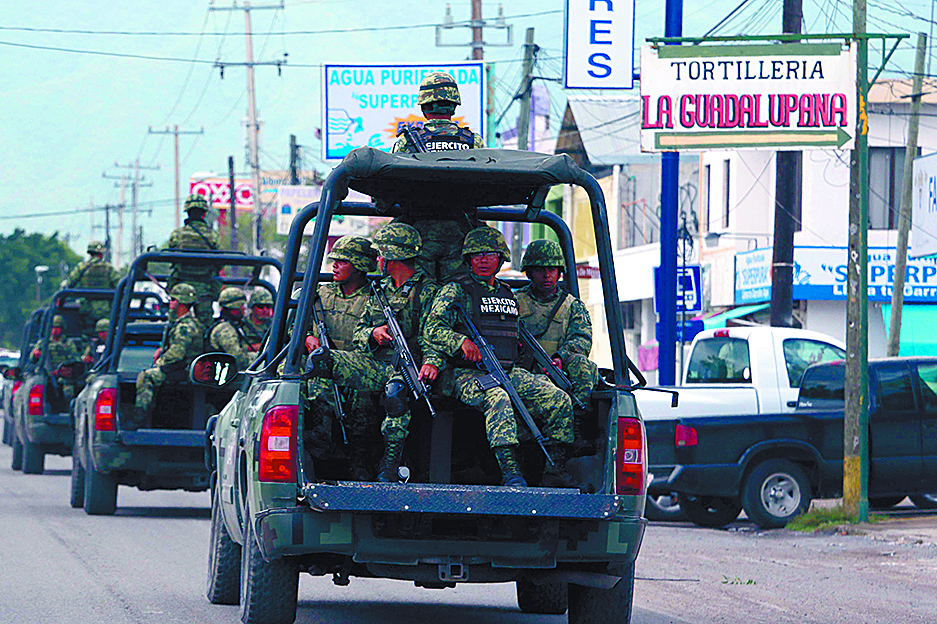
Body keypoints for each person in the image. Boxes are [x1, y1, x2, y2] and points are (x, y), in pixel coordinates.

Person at [423, 226, 576, 488]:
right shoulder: (455, 291)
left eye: (490, 254)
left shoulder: (507, 294)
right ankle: (510, 472)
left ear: (501, 258)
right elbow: (432, 329)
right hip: (466, 374)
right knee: (498, 398)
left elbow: (515, 337)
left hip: (507, 370)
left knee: (558, 399)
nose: (483, 260)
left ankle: (555, 469)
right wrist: (462, 342)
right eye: (477, 255)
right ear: (468, 258)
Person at [305, 223, 441, 482]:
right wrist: (373, 333)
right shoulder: (380, 292)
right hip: (377, 364)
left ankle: (387, 467)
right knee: (320, 362)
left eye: (381, 254)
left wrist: (432, 362)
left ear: (393, 256)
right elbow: (360, 334)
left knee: (393, 396)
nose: (377, 259)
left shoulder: (428, 291)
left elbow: (434, 335)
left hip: (409, 366)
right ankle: (318, 452)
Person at [390, 71, 485, 282]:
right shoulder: (473, 142)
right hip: (461, 232)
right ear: (454, 105)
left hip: (416, 234)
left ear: (424, 106)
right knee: (457, 295)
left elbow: (389, 184)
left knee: (417, 296)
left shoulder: (407, 142)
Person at [301, 235, 378, 478]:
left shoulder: (375, 299)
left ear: (359, 266)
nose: (334, 265)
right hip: (323, 375)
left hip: (358, 376)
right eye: (334, 261)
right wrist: (306, 338)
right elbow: (296, 328)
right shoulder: (321, 295)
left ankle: (358, 467)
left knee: (361, 426)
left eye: (342, 261)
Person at [515, 239, 599, 409]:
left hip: (558, 370)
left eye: (551, 269)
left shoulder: (572, 306)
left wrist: (561, 357)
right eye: (540, 270)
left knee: (583, 365)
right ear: (529, 272)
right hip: (522, 371)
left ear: (559, 273)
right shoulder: (514, 302)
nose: (546, 275)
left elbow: (581, 339)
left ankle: (578, 418)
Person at [131, 284, 204, 430]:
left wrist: (158, 364)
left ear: (180, 303)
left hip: (184, 370)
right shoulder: (181, 323)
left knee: (145, 377)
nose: (170, 303)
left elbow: (176, 354)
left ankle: (139, 420)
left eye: (172, 300)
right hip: (181, 368)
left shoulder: (185, 326)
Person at [167, 193, 221, 327]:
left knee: (175, 324)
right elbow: (219, 263)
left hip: (181, 286)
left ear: (188, 212)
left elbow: (171, 259)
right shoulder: (212, 235)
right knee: (206, 326)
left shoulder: (177, 234)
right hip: (204, 287)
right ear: (204, 213)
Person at [61, 240, 120, 335]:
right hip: (106, 309)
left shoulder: (82, 267)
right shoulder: (109, 268)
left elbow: (69, 284)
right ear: (101, 254)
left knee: (86, 334)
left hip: (87, 309)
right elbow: (119, 285)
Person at [30, 314, 81, 401]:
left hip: (64, 376)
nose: (55, 330)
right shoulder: (43, 342)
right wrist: (35, 354)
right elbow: (32, 359)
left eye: (58, 328)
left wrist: (64, 369)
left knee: (68, 391)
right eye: (53, 327)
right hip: (46, 376)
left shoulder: (68, 343)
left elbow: (75, 361)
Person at [208, 287, 257, 370]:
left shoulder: (233, 325)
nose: (244, 309)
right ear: (235, 307)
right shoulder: (225, 329)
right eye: (242, 305)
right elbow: (239, 359)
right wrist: (260, 357)